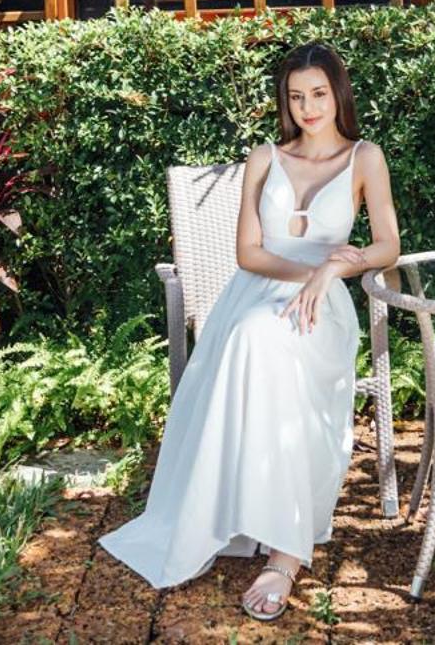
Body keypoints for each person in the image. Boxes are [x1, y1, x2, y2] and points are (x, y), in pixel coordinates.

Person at [98, 41, 402, 621]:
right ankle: (243, 515)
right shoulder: (264, 157)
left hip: (325, 303)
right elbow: (248, 253)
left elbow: (388, 246)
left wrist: (336, 267)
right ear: (284, 102)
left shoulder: (366, 157)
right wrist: (308, 270)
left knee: (273, 346)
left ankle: (287, 551)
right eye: (296, 96)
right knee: (254, 339)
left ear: (337, 93)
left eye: (318, 94)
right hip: (260, 292)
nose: (308, 107)